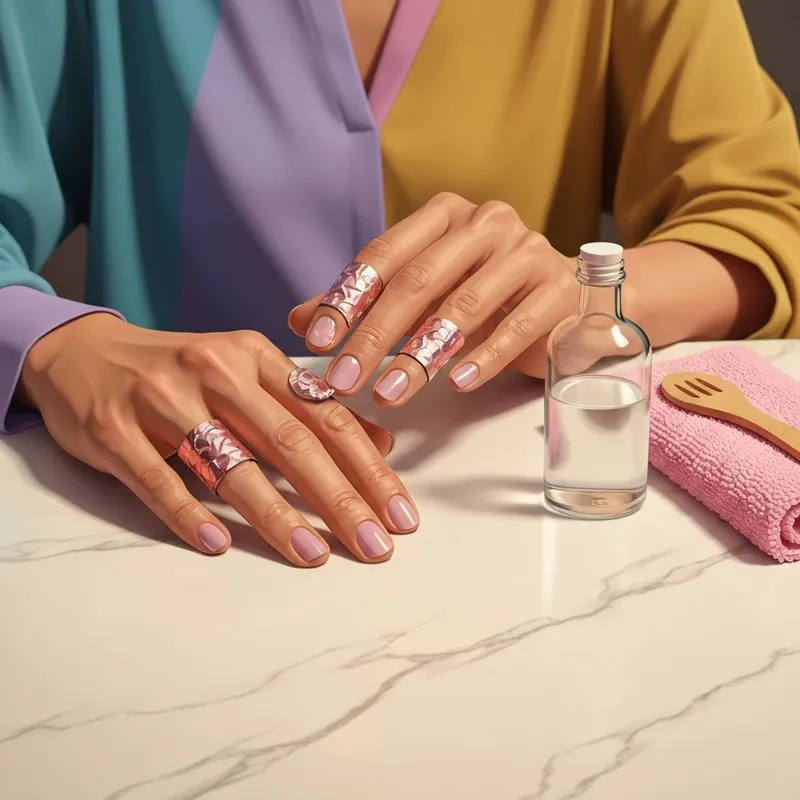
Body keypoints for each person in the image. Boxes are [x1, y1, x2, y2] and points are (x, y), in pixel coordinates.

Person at [2, 0, 800, 567]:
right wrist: (54, 344)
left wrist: (574, 303)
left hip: (522, 543)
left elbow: (766, 215)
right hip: (163, 532)